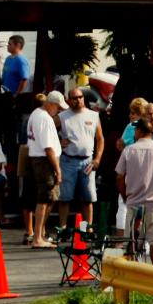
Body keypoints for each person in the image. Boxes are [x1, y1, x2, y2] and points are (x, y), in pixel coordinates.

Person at [115, 118, 153, 267]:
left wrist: (125, 196)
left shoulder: (128, 150)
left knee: (132, 240)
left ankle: (132, 273)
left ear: (139, 131)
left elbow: (119, 177)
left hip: (134, 202)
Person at [57, 87, 103, 229]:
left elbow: (100, 139)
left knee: (87, 199)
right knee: (65, 199)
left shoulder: (93, 115)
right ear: (68, 100)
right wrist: (58, 142)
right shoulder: (62, 116)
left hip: (87, 161)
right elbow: (47, 132)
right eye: (74, 98)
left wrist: (97, 159)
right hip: (68, 160)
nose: (78, 100)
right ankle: (63, 230)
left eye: (80, 97)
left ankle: (86, 229)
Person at [27, 91, 64, 249]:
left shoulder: (36, 114)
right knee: (45, 198)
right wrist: (57, 169)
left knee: (49, 198)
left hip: (39, 159)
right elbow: (48, 147)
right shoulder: (45, 118)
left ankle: (39, 233)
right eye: (58, 107)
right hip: (45, 161)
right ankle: (38, 237)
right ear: (51, 104)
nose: (59, 111)